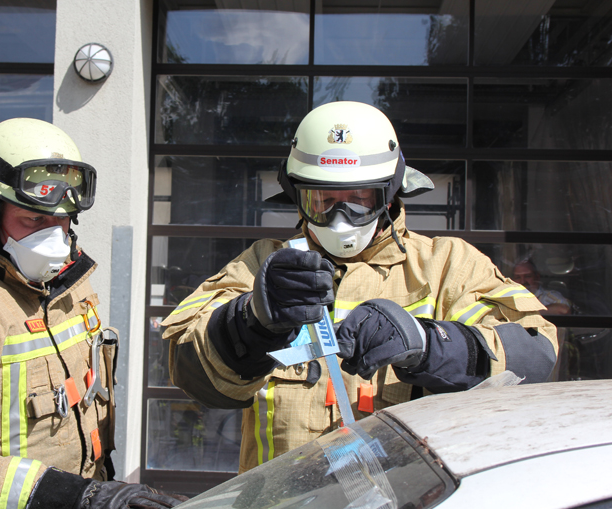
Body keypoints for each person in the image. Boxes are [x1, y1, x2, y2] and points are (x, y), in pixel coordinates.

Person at [161, 101, 558, 473]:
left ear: (389, 193)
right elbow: (186, 365)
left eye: (359, 198)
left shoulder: (445, 265)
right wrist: (251, 322)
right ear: (297, 196)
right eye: (323, 199)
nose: (340, 216)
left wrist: (427, 342)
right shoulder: (264, 265)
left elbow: (536, 352)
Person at [0, 119, 187, 509]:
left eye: (62, 220)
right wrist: (81, 498)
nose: (54, 238)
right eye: (35, 219)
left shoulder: (63, 282)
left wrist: (100, 493)